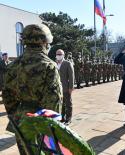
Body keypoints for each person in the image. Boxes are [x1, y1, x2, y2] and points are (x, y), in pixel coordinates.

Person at [2, 24, 63, 154]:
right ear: (45, 42)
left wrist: (17, 115)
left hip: (21, 121)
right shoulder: (49, 66)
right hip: (42, 123)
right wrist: (54, 128)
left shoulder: (12, 65)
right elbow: (54, 101)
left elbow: (7, 97)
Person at [56, 49, 75, 125]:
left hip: (66, 87)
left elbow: (71, 76)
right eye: (57, 54)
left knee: (68, 104)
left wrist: (71, 87)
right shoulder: (54, 63)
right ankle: (62, 118)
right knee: (61, 104)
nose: (58, 56)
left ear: (63, 55)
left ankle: (68, 119)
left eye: (60, 54)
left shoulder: (67, 63)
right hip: (57, 88)